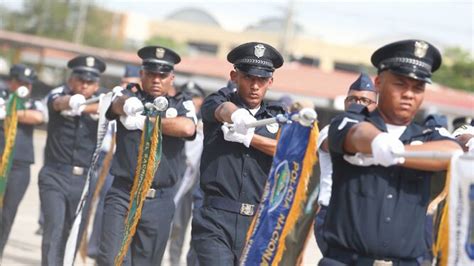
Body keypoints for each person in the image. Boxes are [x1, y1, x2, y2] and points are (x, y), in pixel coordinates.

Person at [320, 40, 462, 265]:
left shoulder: (428, 135)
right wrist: (379, 143)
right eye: (400, 84)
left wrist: (400, 154)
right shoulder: (348, 121)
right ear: (378, 83)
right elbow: (356, 134)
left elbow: (452, 152)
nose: (409, 94)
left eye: (418, 88)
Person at [97, 45, 196, 265]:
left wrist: (146, 121)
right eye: (151, 74)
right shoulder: (129, 95)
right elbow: (116, 104)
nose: (156, 79)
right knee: (111, 259)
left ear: (172, 77)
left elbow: (187, 128)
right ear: (142, 74)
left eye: (162, 75)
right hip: (124, 193)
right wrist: (129, 105)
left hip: (158, 199)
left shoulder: (182, 103)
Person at [191, 42, 286, 265]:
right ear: (234, 76)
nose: (255, 86)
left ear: (270, 82)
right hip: (215, 218)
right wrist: (237, 117)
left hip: (257, 222)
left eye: (262, 80)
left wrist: (250, 138)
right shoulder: (217, 102)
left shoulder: (276, 116)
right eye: (248, 77)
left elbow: (286, 152)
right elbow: (221, 110)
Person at [38, 55, 106, 265]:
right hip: (55, 175)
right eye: (81, 80)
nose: (84, 85)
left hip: (84, 179)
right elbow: (58, 103)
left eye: (90, 82)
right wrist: (73, 102)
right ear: (71, 79)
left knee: (73, 233)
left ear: (97, 84)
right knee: (54, 228)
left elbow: (112, 107)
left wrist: (84, 106)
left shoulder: (103, 101)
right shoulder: (59, 93)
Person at [314, 73, 377, 255]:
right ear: (345, 103)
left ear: (375, 106)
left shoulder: (380, 133)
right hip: (334, 213)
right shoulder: (332, 129)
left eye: (365, 100)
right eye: (353, 99)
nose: (358, 104)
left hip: (366, 216)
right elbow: (343, 142)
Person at [0, 64, 45, 257]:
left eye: (28, 83)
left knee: (7, 214)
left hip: (20, 165)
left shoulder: (32, 102)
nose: (25, 86)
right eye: (21, 82)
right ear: (12, 81)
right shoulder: (2, 95)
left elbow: (38, 117)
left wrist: (10, 112)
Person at [168, 81, 206, 266]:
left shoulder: (207, 121)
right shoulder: (176, 116)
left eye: (195, 97)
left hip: (195, 179)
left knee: (181, 226)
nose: (192, 100)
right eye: (188, 96)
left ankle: (174, 262)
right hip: (176, 175)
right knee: (168, 222)